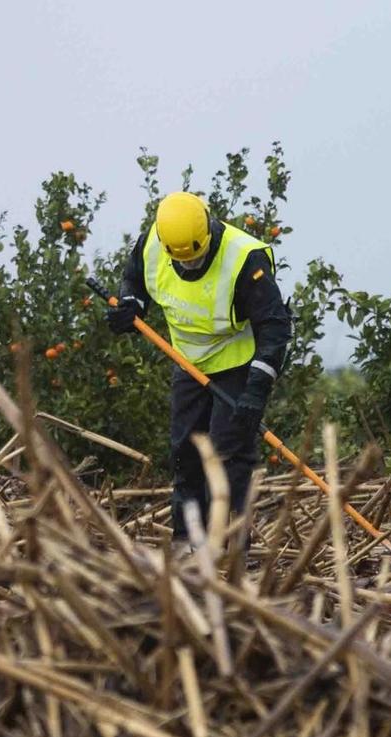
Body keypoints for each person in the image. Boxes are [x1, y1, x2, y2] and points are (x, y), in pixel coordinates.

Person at [107, 191, 291, 549]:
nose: (190, 267)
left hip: (238, 365)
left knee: (227, 454)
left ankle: (227, 545)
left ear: (208, 231)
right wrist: (130, 308)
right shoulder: (154, 245)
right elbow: (134, 282)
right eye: (183, 263)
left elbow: (275, 328)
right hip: (188, 364)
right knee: (185, 452)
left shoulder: (244, 260)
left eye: (196, 260)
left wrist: (255, 392)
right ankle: (186, 540)